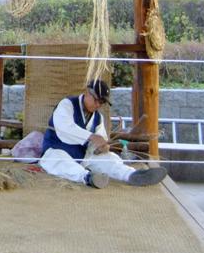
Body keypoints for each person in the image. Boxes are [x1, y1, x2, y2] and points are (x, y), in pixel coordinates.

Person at [39, 80, 167, 188]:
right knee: (60, 162)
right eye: (96, 100)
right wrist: (92, 136)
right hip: (56, 150)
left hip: (84, 157)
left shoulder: (98, 118)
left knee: (109, 159)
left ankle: (132, 175)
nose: (98, 105)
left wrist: (103, 147)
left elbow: (101, 140)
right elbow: (64, 127)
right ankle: (89, 178)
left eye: (101, 102)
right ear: (87, 92)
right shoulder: (67, 104)